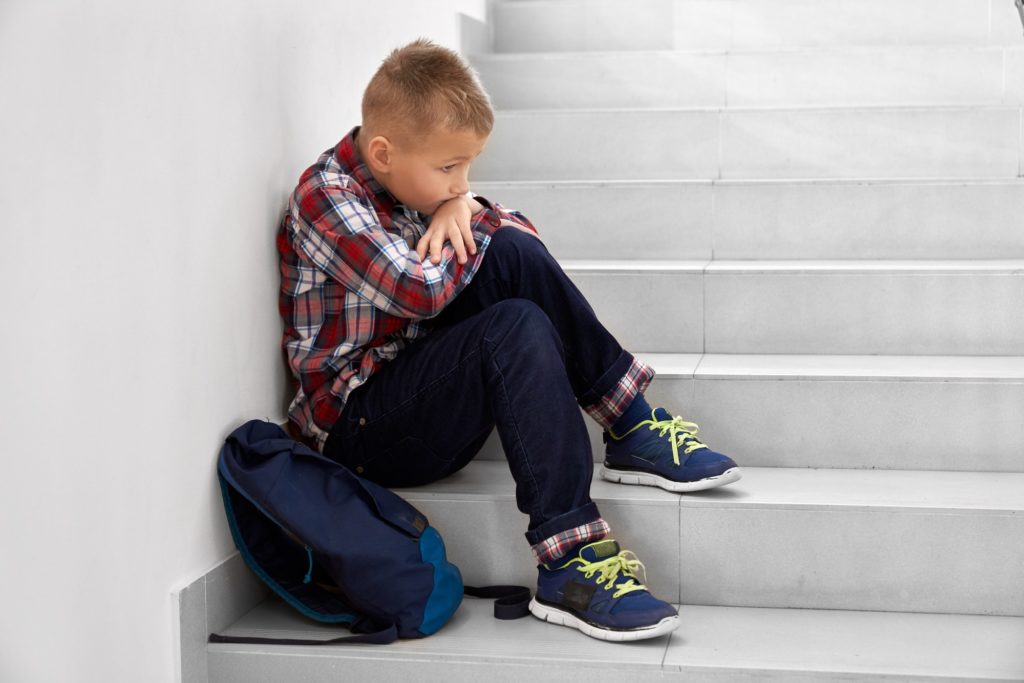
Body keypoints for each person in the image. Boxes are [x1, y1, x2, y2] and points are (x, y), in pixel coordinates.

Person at [277, 38, 741, 642]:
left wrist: (464, 205)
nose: (460, 183)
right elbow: (418, 291)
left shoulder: (413, 178)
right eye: (449, 169)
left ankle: (629, 422)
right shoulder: (327, 198)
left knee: (512, 253)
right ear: (384, 153)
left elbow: (521, 239)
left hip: (417, 377)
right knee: (514, 321)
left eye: (468, 168)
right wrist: (469, 212)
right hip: (361, 430)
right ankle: (569, 563)